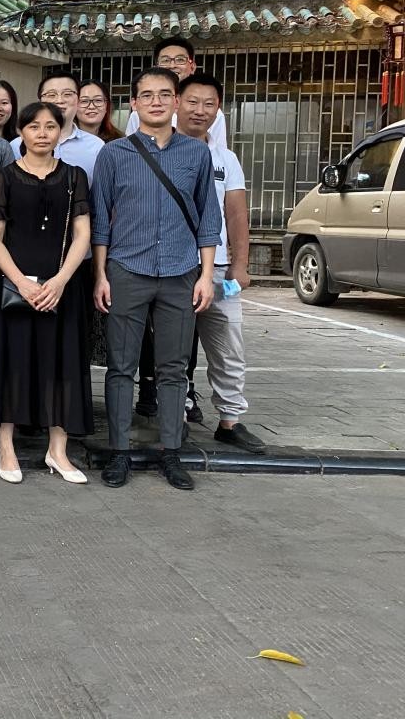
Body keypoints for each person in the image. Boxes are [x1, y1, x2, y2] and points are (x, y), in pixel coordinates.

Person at [92, 67, 223, 492]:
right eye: (146, 95)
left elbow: (208, 218)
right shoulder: (114, 154)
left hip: (181, 273)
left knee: (173, 368)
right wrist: (100, 275)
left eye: (165, 94)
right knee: (121, 367)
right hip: (126, 270)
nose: (156, 101)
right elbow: (100, 222)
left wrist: (206, 275)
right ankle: (119, 452)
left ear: (176, 102)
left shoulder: (196, 154)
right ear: (133, 104)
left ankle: (171, 452)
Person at [0, 102, 94, 485]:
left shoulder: (75, 177)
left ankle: (58, 450)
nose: (43, 133)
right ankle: (6, 447)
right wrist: (21, 281)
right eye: (34, 126)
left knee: (62, 364)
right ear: (21, 132)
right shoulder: (3, 178)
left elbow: (82, 233)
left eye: (51, 126)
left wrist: (61, 280)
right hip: (15, 285)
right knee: (11, 362)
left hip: (62, 285)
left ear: (60, 132)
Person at [175, 73, 266, 454]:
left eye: (209, 104)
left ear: (218, 110)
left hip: (219, 271)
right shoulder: (159, 151)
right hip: (173, 269)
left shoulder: (225, 159)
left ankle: (230, 420)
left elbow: (237, 214)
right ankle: (175, 418)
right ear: (177, 102)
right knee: (173, 349)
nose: (200, 110)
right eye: (192, 101)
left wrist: (240, 266)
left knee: (228, 346)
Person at [125, 37, 228, 149]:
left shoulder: (210, 112)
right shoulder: (141, 110)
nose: (172, 65)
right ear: (156, 68)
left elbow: (218, 152)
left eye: (180, 60)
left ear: (192, 67)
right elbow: (130, 149)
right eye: (165, 60)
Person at [10, 70, 104, 182]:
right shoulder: (16, 146)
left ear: (79, 99)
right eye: (51, 95)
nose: (59, 101)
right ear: (40, 100)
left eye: (67, 94)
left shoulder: (96, 146)